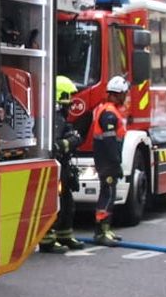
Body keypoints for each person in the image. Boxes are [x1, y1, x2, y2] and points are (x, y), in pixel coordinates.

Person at [40, 76, 86, 254]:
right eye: (70, 98)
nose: (72, 103)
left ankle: (65, 235)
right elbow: (57, 143)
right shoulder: (56, 117)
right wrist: (71, 141)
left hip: (64, 166)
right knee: (55, 202)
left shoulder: (59, 117)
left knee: (67, 202)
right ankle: (47, 239)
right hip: (57, 166)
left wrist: (73, 139)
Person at [91, 75, 129, 247]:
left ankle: (105, 229)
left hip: (106, 161)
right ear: (118, 94)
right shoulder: (109, 114)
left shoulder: (108, 109)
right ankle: (101, 231)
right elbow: (110, 142)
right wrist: (116, 163)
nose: (125, 97)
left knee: (110, 193)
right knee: (107, 195)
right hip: (107, 162)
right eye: (124, 94)